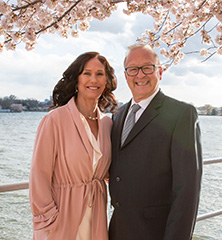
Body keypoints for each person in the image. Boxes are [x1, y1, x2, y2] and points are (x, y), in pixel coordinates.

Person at [108, 44, 203, 240]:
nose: (140, 75)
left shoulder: (181, 114)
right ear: (126, 75)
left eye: (147, 67)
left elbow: (187, 191)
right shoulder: (117, 116)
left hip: (155, 233)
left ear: (159, 72)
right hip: (117, 230)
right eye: (133, 69)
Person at [29, 51, 117, 240]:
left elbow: (112, 172)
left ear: (106, 81)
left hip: (96, 218)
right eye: (87, 73)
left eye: (100, 74)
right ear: (76, 79)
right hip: (62, 218)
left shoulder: (108, 124)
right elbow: (39, 175)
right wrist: (48, 219)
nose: (93, 79)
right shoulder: (54, 120)